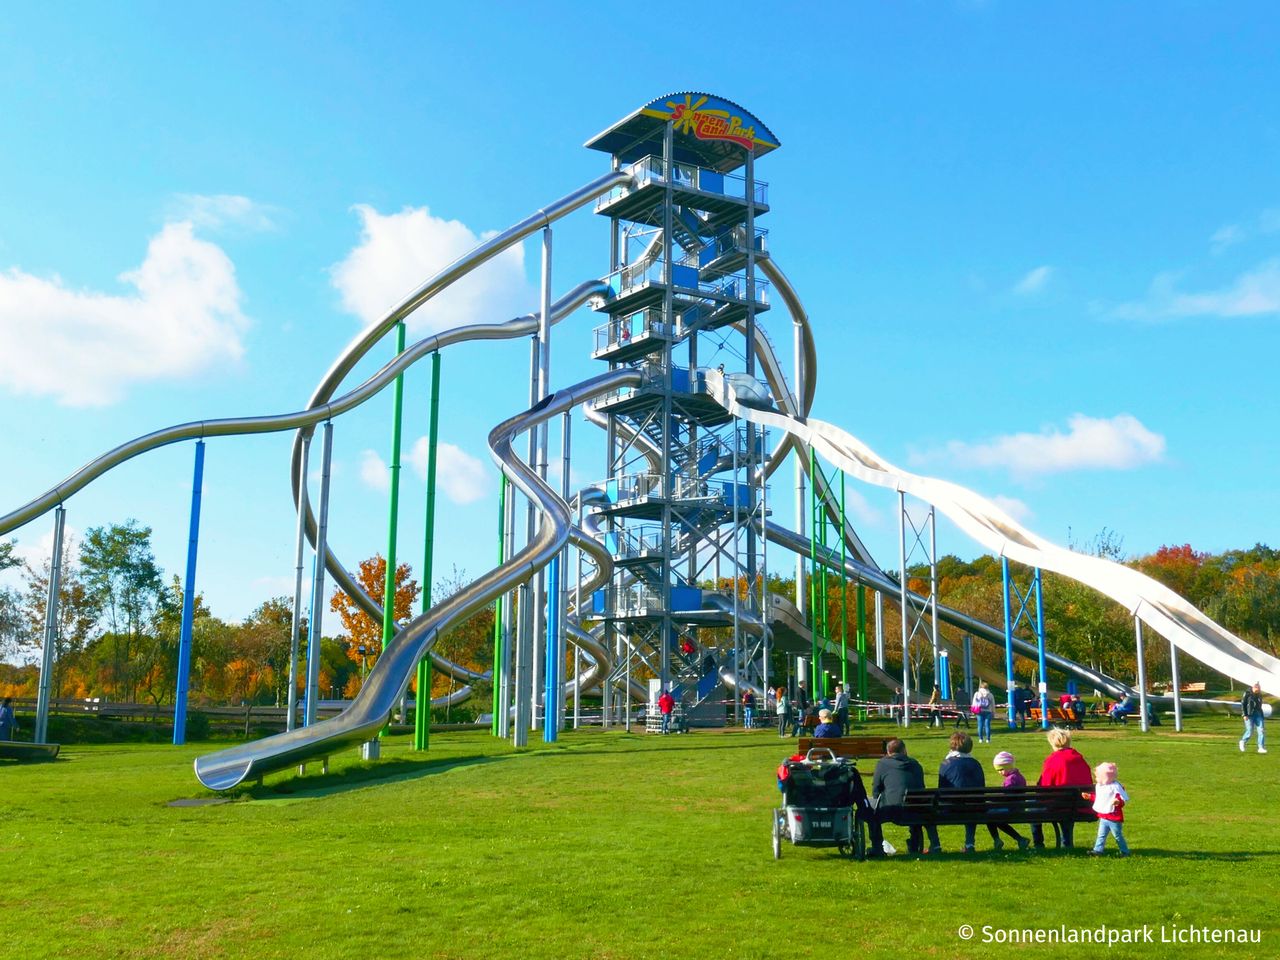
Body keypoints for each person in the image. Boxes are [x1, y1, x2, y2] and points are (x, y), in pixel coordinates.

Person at [868, 739, 941, 856]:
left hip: (890, 808)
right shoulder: (915, 764)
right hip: (915, 808)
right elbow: (921, 787)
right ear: (904, 750)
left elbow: (876, 789)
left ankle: (877, 846)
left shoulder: (882, 764)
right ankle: (916, 843)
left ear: (888, 752)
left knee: (871, 809)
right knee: (916, 805)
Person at [1031, 727, 1092, 849]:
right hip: (1080, 805)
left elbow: (1045, 786)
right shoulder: (1080, 759)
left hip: (1057, 804)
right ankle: (1067, 843)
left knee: (1033, 809)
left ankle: (1039, 844)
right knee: (1068, 807)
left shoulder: (1053, 760)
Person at [938, 731, 985, 852]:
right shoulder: (975, 764)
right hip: (974, 808)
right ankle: (969, 843)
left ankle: (935, 844)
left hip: (950, 807)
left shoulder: (946, 763)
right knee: (972, 804)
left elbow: (941, 787)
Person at [987, 751, 1032, 851]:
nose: (999, 772)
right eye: (998, 770)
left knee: (989, 815)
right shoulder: (1019, 776)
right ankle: (1019, 839)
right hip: (1018, 808)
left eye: (1001, 769)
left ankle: (998, 839)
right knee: (992, 815)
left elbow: (1006, 798)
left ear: (1008, 766)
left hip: (1012, 809)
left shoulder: (1010, 780)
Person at [1085, 761, 1130, 857]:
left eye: (1097, 777)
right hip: (1103, 817)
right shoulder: (1101, 787)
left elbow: (1121, 800)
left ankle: (1125, 851)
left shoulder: (1115, 788)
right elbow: (1100, 799)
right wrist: (1090, 797)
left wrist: (1118, 802)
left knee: (1117, 836)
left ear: (1105, 778)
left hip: (1114, 818)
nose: (1096, 779)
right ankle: (1098, 850)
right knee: (1101, 835)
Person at [1239, 682, 1267, 753]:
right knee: (1250, 730)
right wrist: (1244, 714)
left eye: (1259, 689)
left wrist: (1262, 715)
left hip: (1258, 714)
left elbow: (1259, 705)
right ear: (1254, 687)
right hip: (1249, 714)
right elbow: (1243, 704)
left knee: (1261, 730)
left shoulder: (1259, 695)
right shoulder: (1247, 693)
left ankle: (1260, 747)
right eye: (1257, 689)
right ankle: (1243, 741)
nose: (1259, 690)